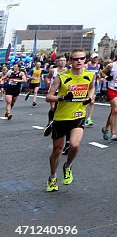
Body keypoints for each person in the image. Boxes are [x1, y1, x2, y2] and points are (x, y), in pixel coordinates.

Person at [44, 49, 95, 191]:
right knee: (57, 150)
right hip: (61, 117)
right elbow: (49, 96)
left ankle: (67, 166)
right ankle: (53, 177)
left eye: (82, 58)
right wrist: (62, 98)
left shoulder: (90, 75)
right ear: (70, 61)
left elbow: (91, 88)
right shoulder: (61, 77)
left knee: (75, 145)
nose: (79, 61)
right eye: (75, 59)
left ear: (85, 60)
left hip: (78, 115)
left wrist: (90, 97)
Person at [83, 54, 102, 126]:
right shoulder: (86, 66)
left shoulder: (98, 66)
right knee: (86, 101)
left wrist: (98, 77)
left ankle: (89, 118)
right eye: (94, 58)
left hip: (95, 85)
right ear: (91, 58)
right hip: (87, 85)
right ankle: (82, 116)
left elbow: (99, 75)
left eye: (96, 58)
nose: (95, 59)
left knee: (92, 101)